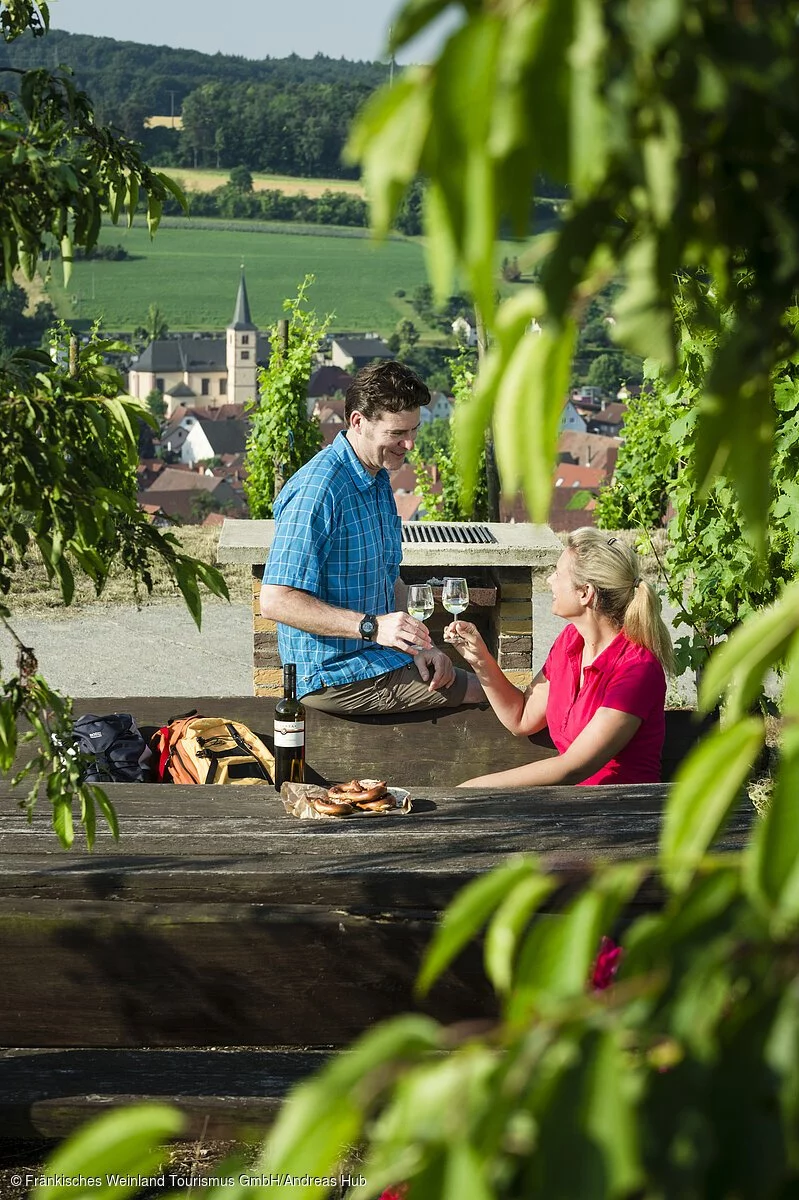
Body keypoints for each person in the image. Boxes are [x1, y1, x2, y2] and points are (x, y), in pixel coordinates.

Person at [260, 360, 485, 713]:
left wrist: (422, 647)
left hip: (376, 657)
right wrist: (370, 627)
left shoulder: (376, 476)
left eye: (414, 431)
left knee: (483, 681)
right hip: (333, 675)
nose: (410, 444)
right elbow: (275, 601)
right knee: (491, 694)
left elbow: (386, 578)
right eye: (398, 434)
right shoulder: (319, 490)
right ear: (358, 422)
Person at [445, 527, 674, 787]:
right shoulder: (570, 641)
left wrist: (471, 788)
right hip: (572, 806)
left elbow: (574, 767)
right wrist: (480, 658)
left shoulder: (637, 669)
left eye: (558, 573)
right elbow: (521, 718)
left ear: (585, 593)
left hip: (621, 811)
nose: (550, 580)